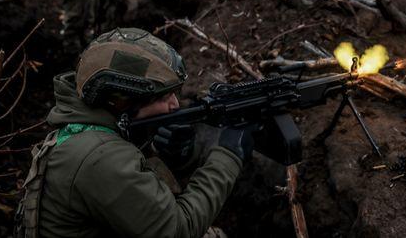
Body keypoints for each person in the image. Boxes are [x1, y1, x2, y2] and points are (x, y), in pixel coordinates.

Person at [15, 28, 254, 238]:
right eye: (162, 97)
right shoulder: (100, 157)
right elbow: (179, 230)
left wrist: (168, 155)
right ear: (121, 101)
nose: (175, 105)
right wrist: (227, 156)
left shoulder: (82, 133)